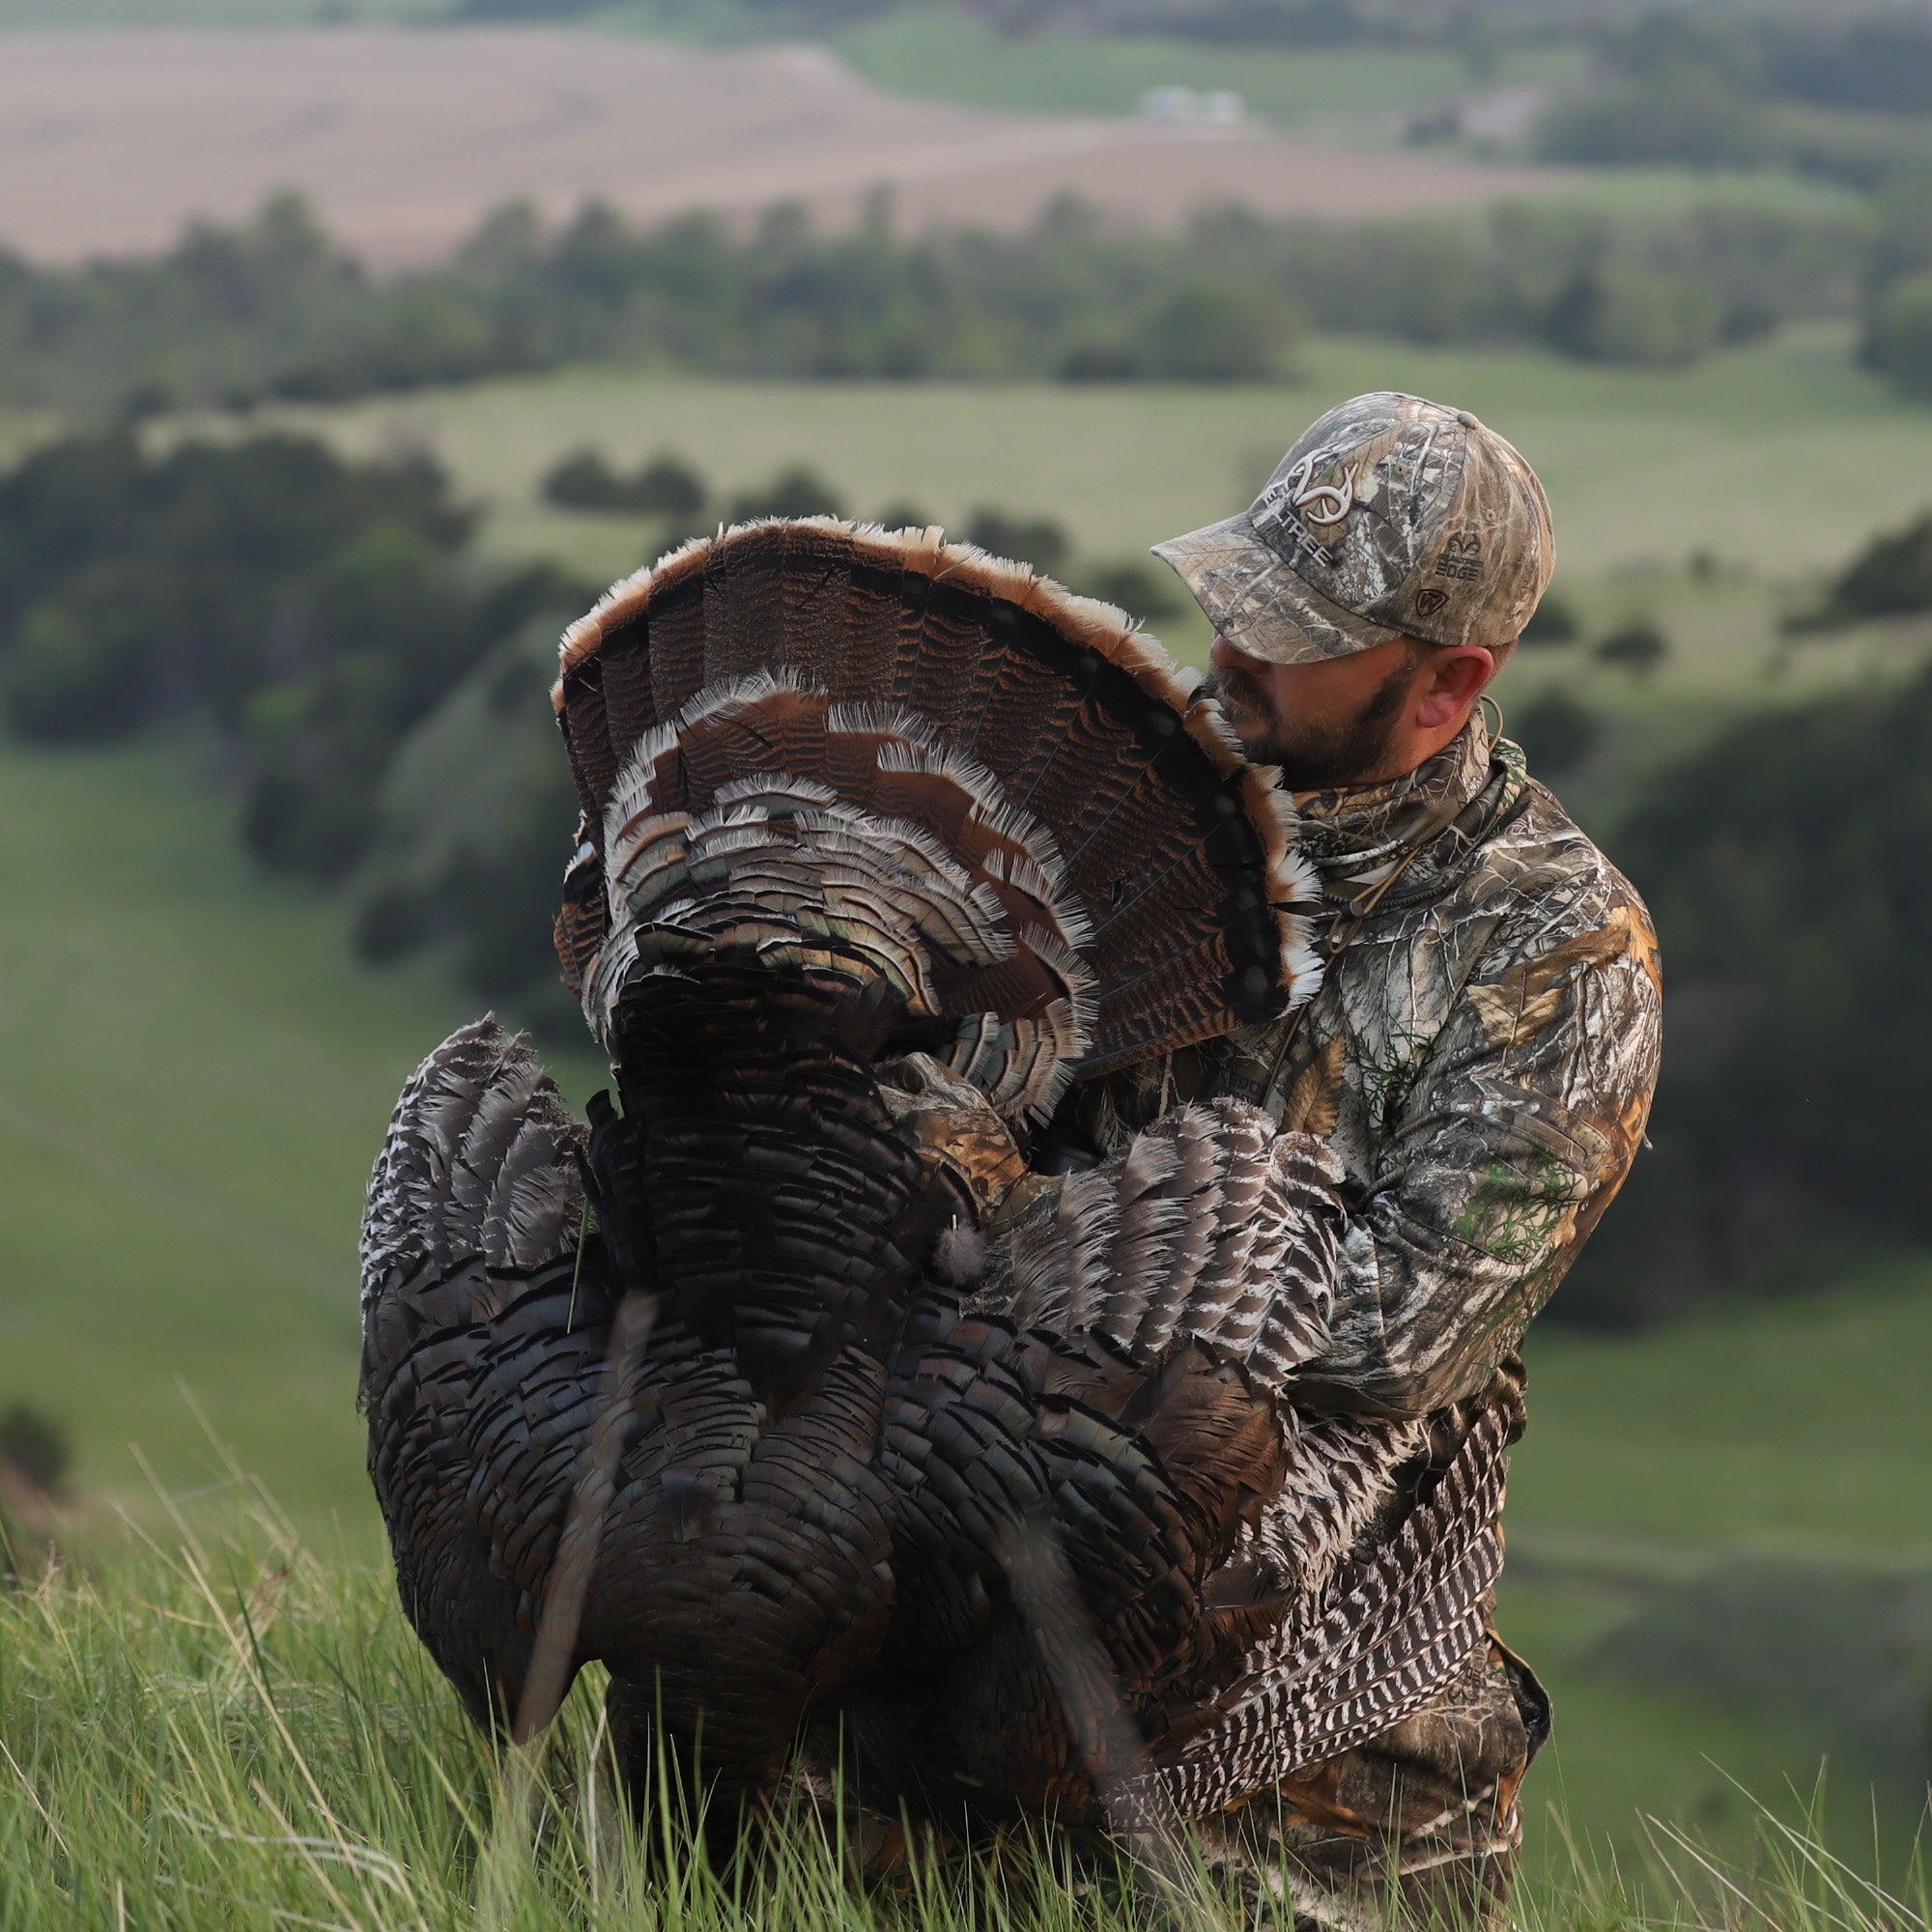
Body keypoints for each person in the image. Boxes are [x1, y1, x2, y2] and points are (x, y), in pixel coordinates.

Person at [1050, 391, 1662, 1925]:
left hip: (1336, 1768)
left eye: (1294, 631)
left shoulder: (1558, 951)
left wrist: (1027, 1261)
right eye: (1241, 597)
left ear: (1448, 684)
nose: (1231, 651)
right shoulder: (1123, 822)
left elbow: (1391, 1339)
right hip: (1009, 1639)